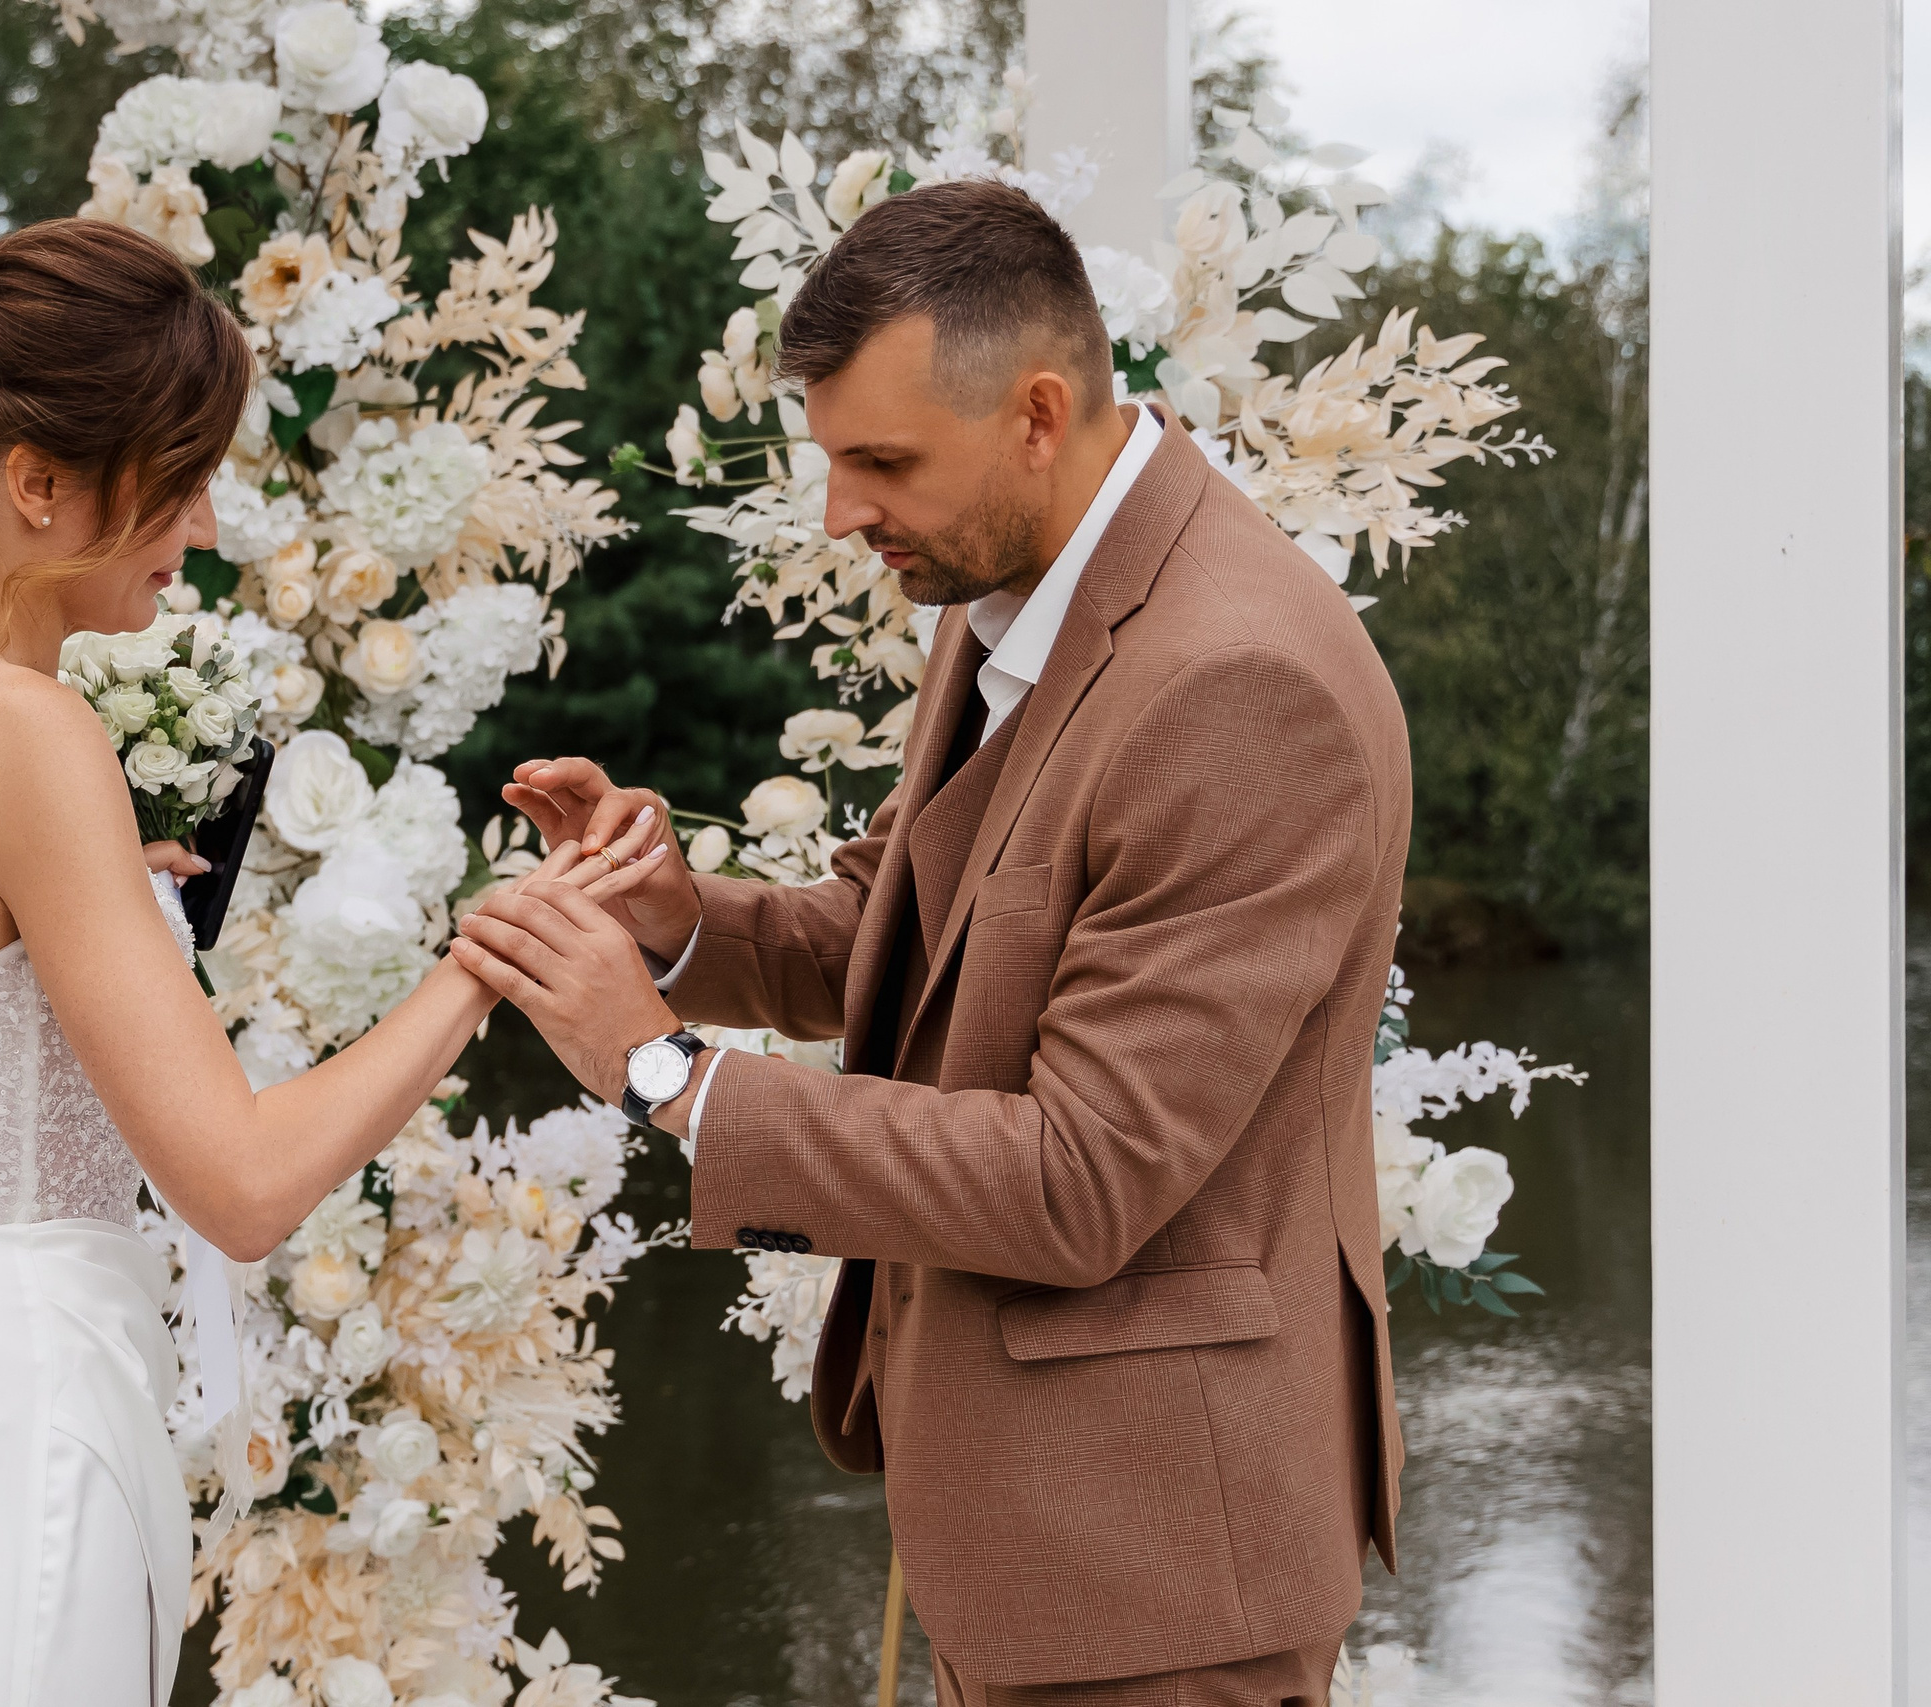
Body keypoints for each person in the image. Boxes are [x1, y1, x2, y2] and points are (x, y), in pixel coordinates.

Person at [450, 178, 1408, 1707]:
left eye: (881, 462)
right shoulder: (1014, 583)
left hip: (1161, 1586)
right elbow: (927, 944)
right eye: (831, 459)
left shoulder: (1238, 686)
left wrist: (665, 1072)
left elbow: (1083, 1181)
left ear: (1038, 415)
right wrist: (682, 919)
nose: (841, 514)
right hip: (1045, 1549)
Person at [0, 218, 656, 1707]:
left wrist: (51, 944)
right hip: (16, 1445)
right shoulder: (26, 734)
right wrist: (489, 957)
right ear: (39, 485)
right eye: (181, 479)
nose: (202, 526)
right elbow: (245, 1186)